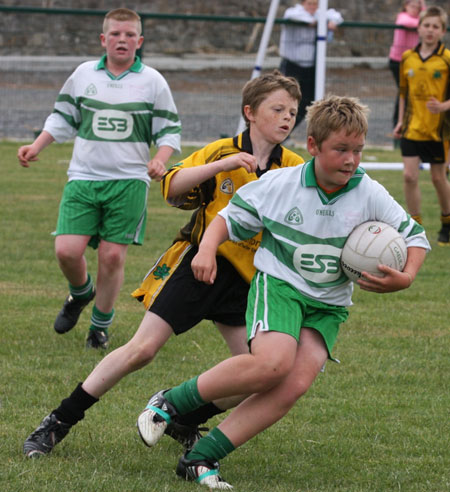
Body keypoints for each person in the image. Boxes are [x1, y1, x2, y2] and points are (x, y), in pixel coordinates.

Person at [137, 94, 430, 490]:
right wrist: (206, 248)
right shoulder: (282, 184)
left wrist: (407, 276)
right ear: (313, 146)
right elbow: (227, 218)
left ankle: (201, 457)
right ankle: (172, 402)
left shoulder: (368, 192)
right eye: (340, 150)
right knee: (271, 365)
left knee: (293, 384)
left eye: (358, 151)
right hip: (281, 285)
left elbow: (415, 236)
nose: (351, 160)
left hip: (328, 304)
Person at [22, 70, 304, 458]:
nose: (288, 118)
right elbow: (172, 187)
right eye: (278, 109)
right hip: (198, 266)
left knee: (259, 373)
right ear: (250, 112)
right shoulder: (222, 150)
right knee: (142, 350)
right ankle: (57, 422)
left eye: (293, 111)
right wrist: (220, 167)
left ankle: (184, 417)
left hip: (246, 280)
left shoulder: (292, 166)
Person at [17, 8, 181, 349]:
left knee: (111, 256)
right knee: (66, 250)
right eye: (116, 34)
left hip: (129, 181)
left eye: (129, 35)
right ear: (103, 40)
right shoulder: (83, 75)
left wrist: (160, 159)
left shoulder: (152, 81)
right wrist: (37, 146)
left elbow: (169, 131)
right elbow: (62, 117)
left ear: (140, 41)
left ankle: (99, 326)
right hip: (83, 177)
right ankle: (80, 294)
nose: (122, 40)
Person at [393, 5, 450, 245]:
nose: (430, 30)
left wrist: (443, 106)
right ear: (419, 27)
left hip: (438, 130)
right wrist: (399, 121)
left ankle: (447, 222)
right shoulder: (408, 58)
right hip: (412, 127)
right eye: (427, 25)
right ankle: (415, 225)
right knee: (409, 175)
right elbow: (403, 93)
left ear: (443, 31)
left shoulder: (447, 59)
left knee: (438, 178)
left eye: (435, 26)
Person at [279, 0, 343, 129]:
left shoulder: (320, 13)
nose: (313, 7)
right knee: (285, 98)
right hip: (293, 64)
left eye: (315, 4)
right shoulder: (294, 12)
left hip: (312, 66)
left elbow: (336, 16)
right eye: (309, 4)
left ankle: (287, 131)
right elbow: (293, 16)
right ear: (303, 3)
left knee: (308, 101)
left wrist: (330, 22)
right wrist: (317, 22)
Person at [388, 0, 426, 128]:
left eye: (417, 7)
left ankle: (405, 121)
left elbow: (425, 15)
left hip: (411, 62)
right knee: (404, 91)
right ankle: (398, 123)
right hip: (398, 61)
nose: (415, 9)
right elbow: (408, 23)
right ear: (405, 6)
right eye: (412, 6)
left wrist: (422, 3)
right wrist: (422, 24)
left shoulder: (419, 19)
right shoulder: (402, 17)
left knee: (408, 91)